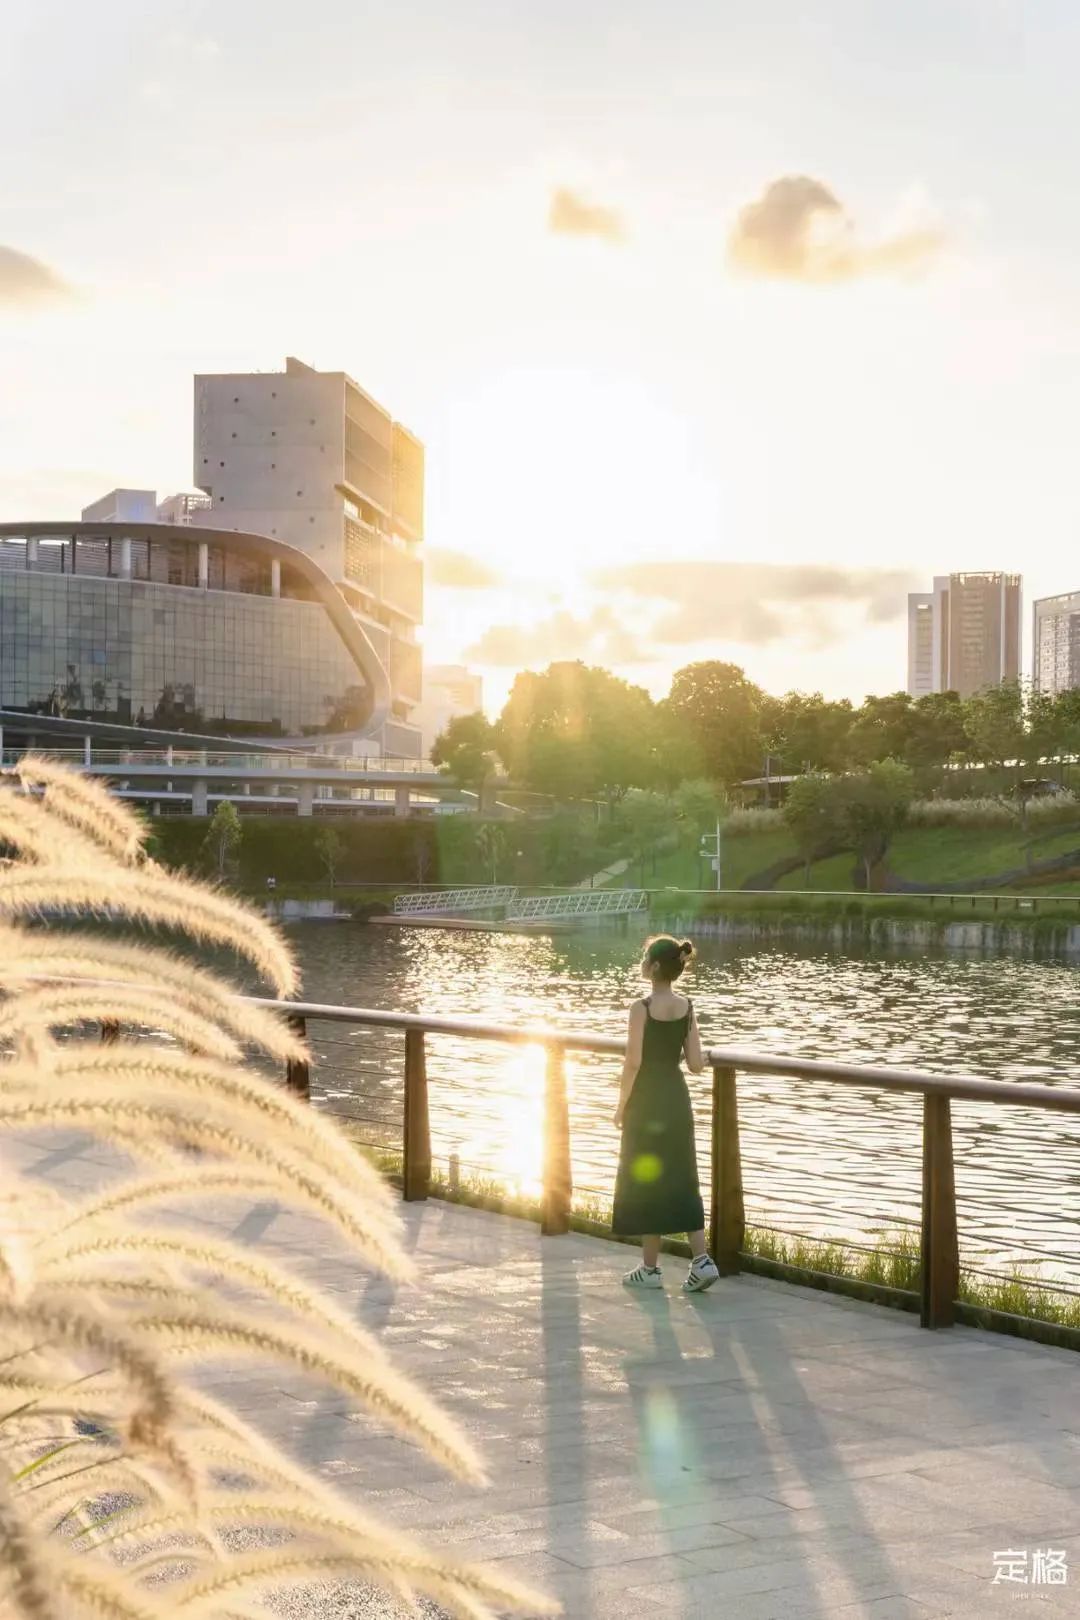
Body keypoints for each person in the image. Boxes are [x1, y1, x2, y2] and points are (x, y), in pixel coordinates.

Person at [612, 935, 720, 1293]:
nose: (642, 960)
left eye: (645, 956)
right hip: (676, 1097)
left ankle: (651, 1269)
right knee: (682, 1173)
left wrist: (621, 1105)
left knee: (648, 1177)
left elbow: (633, 1062)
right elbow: (694, 1064)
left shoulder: (640, 1008)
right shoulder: (687, 1006)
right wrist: (706, 1058)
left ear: (654, 967)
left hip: (647, 1099)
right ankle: (701, 1260)